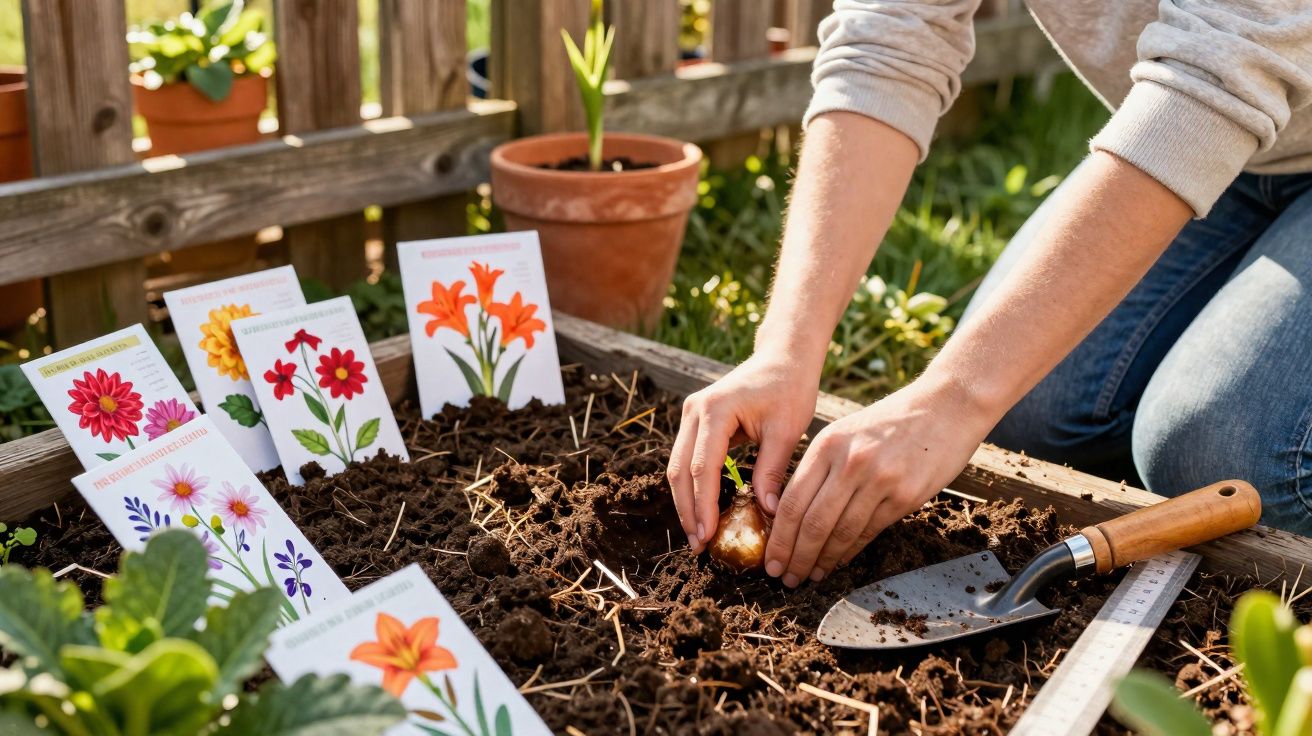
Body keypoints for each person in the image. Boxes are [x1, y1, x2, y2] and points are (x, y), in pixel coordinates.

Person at [666, 0, 1312, 588]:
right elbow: (889, 40)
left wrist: (952, 400)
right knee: (1026, 410)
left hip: (1219, 104)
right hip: (1228, 137)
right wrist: (785, 348)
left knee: (1219, 454)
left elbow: (1221, 75)